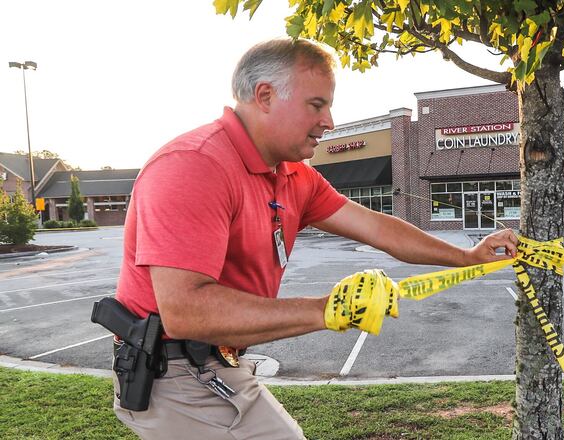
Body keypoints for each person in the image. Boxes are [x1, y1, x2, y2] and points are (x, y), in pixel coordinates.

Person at [112, 38, 519, 439]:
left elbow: (378, 228)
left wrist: (468, 256)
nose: (329, 121)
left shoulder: (292, 175)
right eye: (316, 104)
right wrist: (327, 309)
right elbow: (186, 310)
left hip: (216, 365)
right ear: (265, 95)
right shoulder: (194, 166)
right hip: (174, 376)